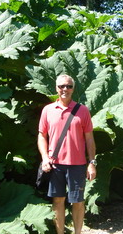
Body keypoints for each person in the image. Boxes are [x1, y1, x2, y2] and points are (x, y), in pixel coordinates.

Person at [37, 74, 97, 234]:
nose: (65, 89)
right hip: (55, 165)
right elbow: (41, 135)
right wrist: (44, 157)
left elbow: (90, 139)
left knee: (78, 202)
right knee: (58, 201)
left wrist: (92, 163)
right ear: (56, 88)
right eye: (62, 86)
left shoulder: (83, 111)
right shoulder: (48, 110)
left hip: (77, 165)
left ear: (73, 88)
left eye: (69, 86)